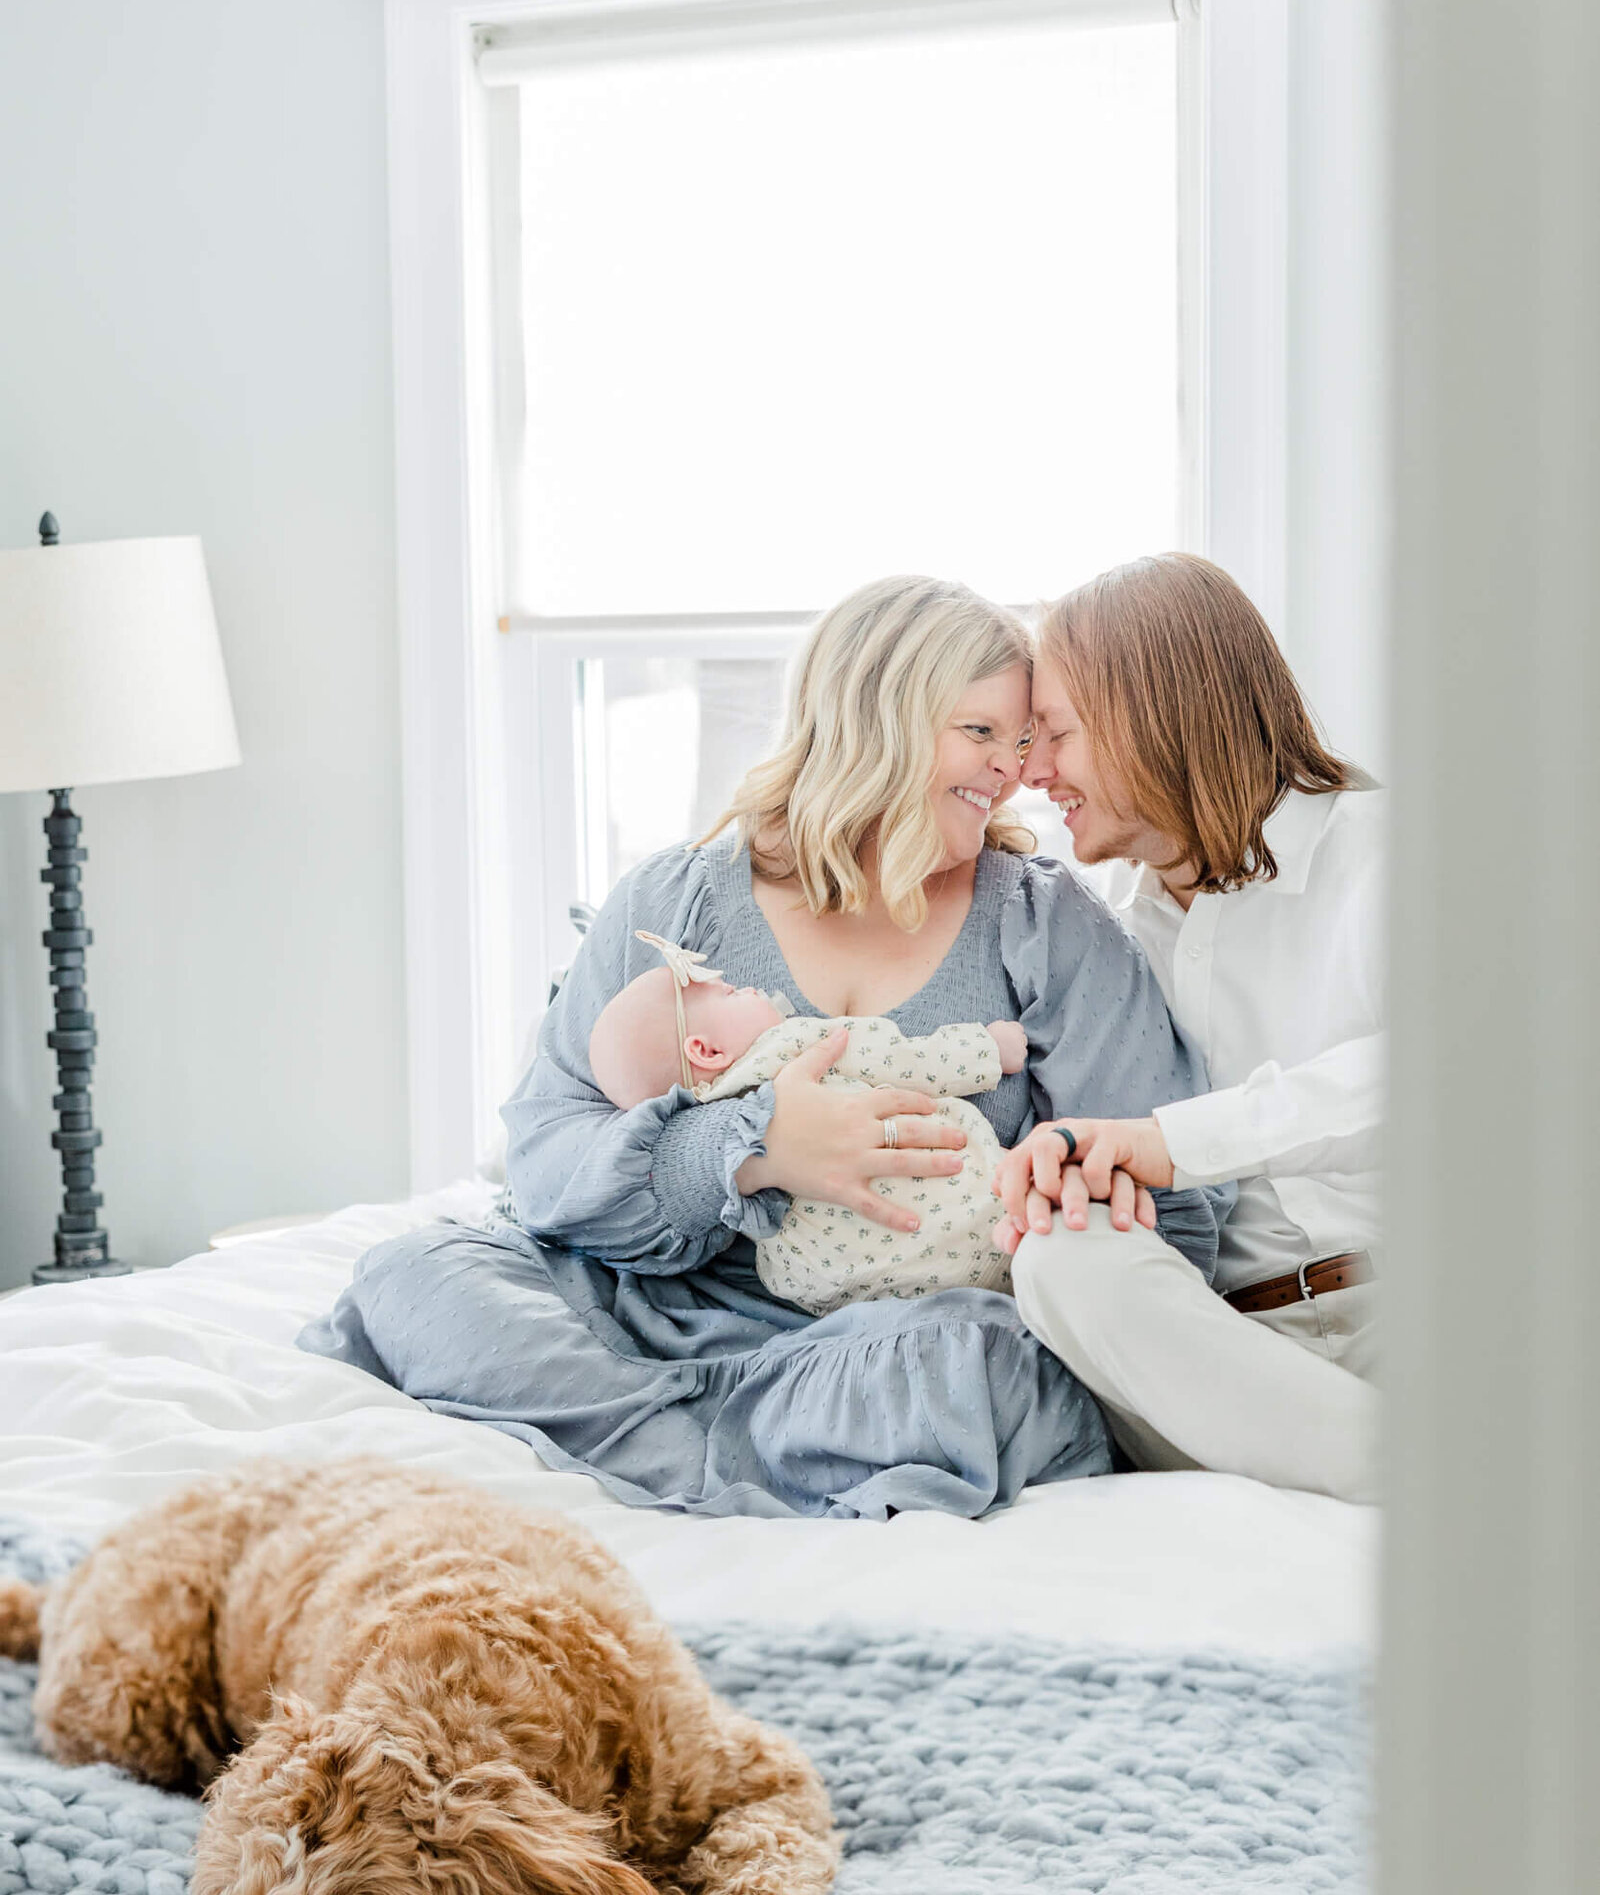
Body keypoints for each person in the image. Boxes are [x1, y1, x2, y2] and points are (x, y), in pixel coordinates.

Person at [304, 574, 1226, 1520]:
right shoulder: (677, 902)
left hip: (894, 1335)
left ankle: (676, 1448)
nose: (1013, 770)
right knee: (418, 1276)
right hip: (653, 1312)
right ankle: (748, 1445)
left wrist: (1070, 1204)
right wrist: (753, 1153)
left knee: (979, 1367)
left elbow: (1179, 1200)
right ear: (878, 721)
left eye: (1025, 740)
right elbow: (545, 1160)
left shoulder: (1044, 925)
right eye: (982, 732)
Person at [995, 552, 1382, 1505]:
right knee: (1057, 1256)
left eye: (1056, 735)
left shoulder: (1383, 855)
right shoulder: (1100, 932)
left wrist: (1168, 1144)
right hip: (1216, 1358)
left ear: (1151, 714)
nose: (1031, 772)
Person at [587, 928, 1028, 1309]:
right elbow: (905, 1060)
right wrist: (988, 1049)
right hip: (966, 1213)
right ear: (707, 1051)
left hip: (869, 1283)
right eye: (729, 993)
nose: (746, 987)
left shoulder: (718, 1130)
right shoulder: (791, 1045)